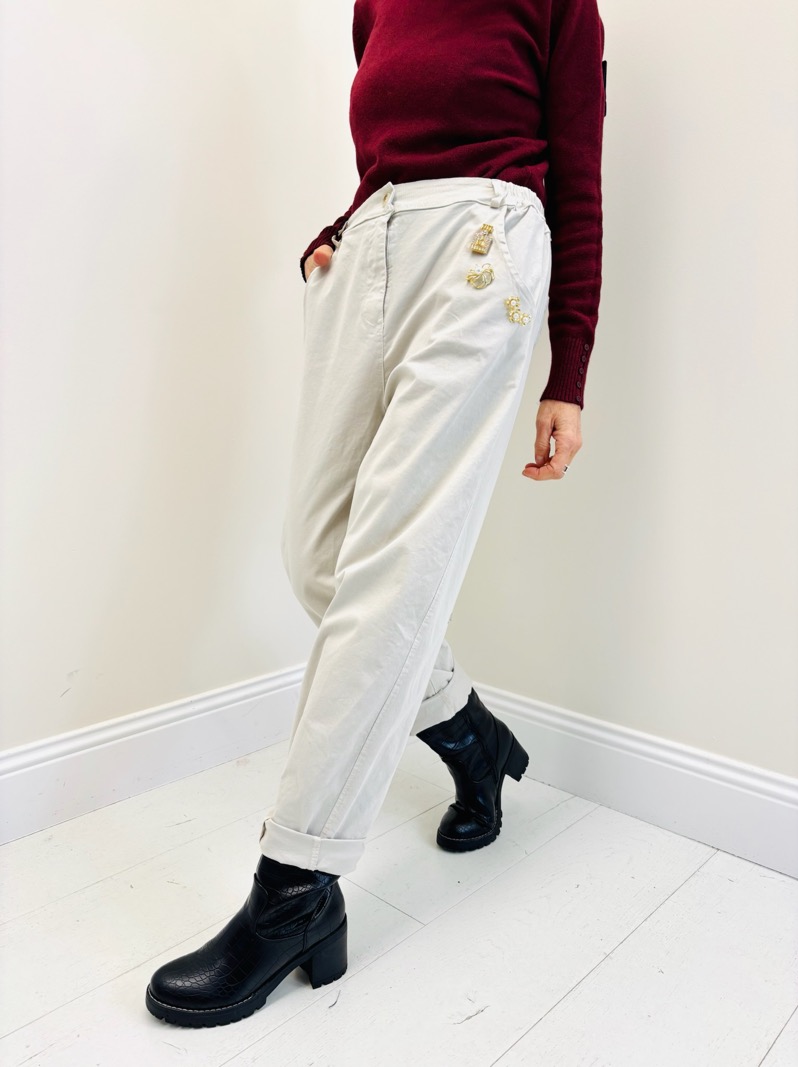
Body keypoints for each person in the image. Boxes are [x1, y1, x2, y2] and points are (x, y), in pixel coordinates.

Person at [146, 0, 606, 1028]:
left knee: (390, 572)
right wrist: (343, 228)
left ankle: (295, 887)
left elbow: (578, 181)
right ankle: (469, 733)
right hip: (372, 250)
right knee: (316, 557)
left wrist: (566, 371)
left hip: (484, 247)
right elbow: (390, 153)